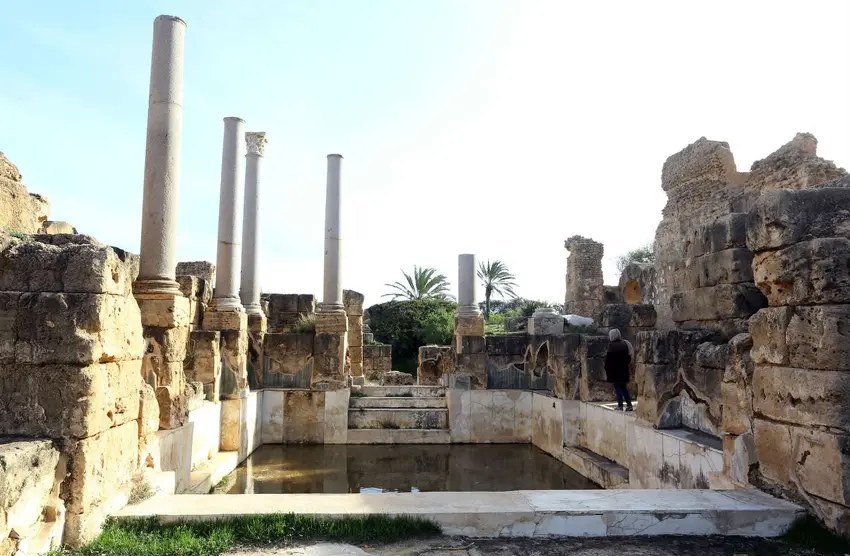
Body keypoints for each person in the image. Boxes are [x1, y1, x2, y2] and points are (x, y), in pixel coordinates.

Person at [604, 328, 633, 411]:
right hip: (624, 370)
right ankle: (629, 405)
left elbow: (608, 360)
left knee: (617, 388)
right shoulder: (625, 344)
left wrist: (606, 369)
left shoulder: (611, 346)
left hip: (615, 372)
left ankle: (620, 405)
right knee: (624, 388)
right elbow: (628, 358)